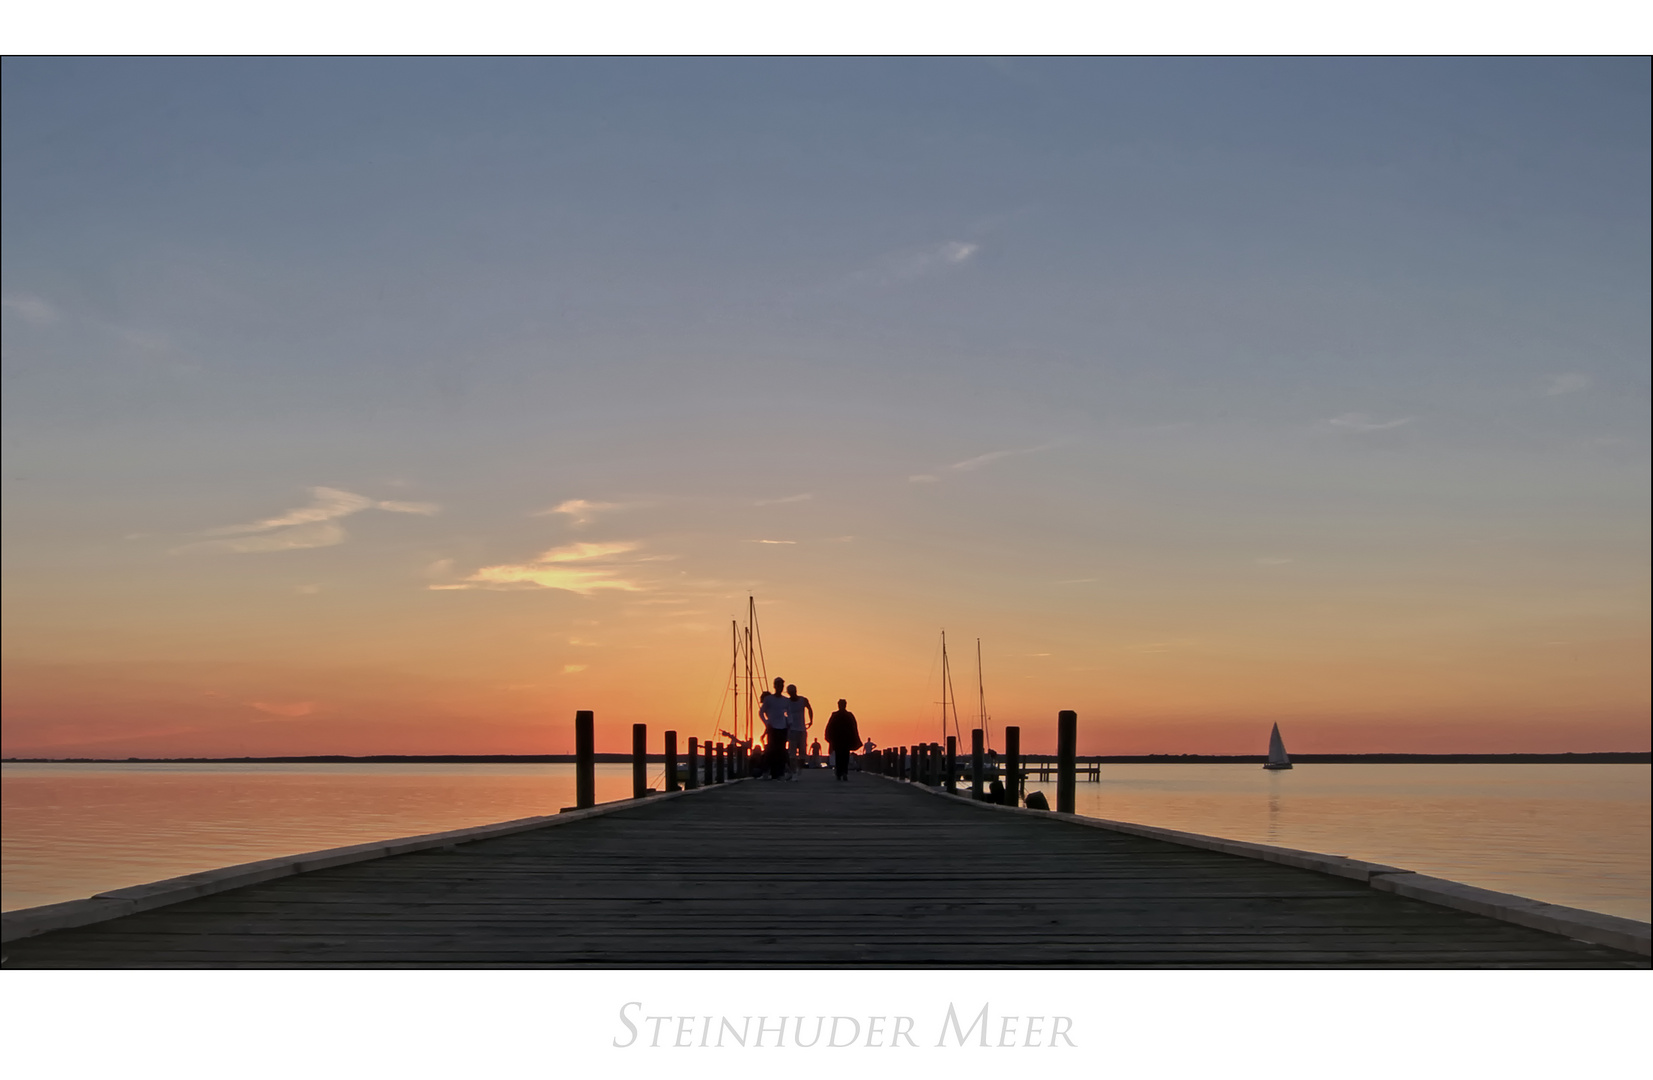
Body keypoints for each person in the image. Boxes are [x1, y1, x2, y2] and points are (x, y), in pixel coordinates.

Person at [758, 676, 790, 780]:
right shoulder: (769, 699)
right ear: (774, 686)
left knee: (781, 751)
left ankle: (779, 774)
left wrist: (789, 722)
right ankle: (766, 772)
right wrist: (766, 722)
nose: (780, 687)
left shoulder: (786, 700)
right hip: (772, 728)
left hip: (783, 728)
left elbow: (790, 713)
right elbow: (761, 712)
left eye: (782, 685)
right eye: (778, 685)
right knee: (770, 750)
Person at [823, 699, 862, 781]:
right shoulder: (848, 715)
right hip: (844, 740)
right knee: (844, 757)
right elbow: (854, 728)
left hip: (839, 740)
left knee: (839, 757)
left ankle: (840, 773)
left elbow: (829, 728)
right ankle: (843, 772)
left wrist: (830, 738)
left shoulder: (836, 715)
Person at [784, 683, 812, 780]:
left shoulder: (802, 700)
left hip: (802, 729)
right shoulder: (787, 702)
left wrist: (811, 720)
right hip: (792, 730)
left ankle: (799, 769)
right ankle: (793, 771)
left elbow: (809, 708)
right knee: (792, 753)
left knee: (802, 752)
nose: (791, 694)